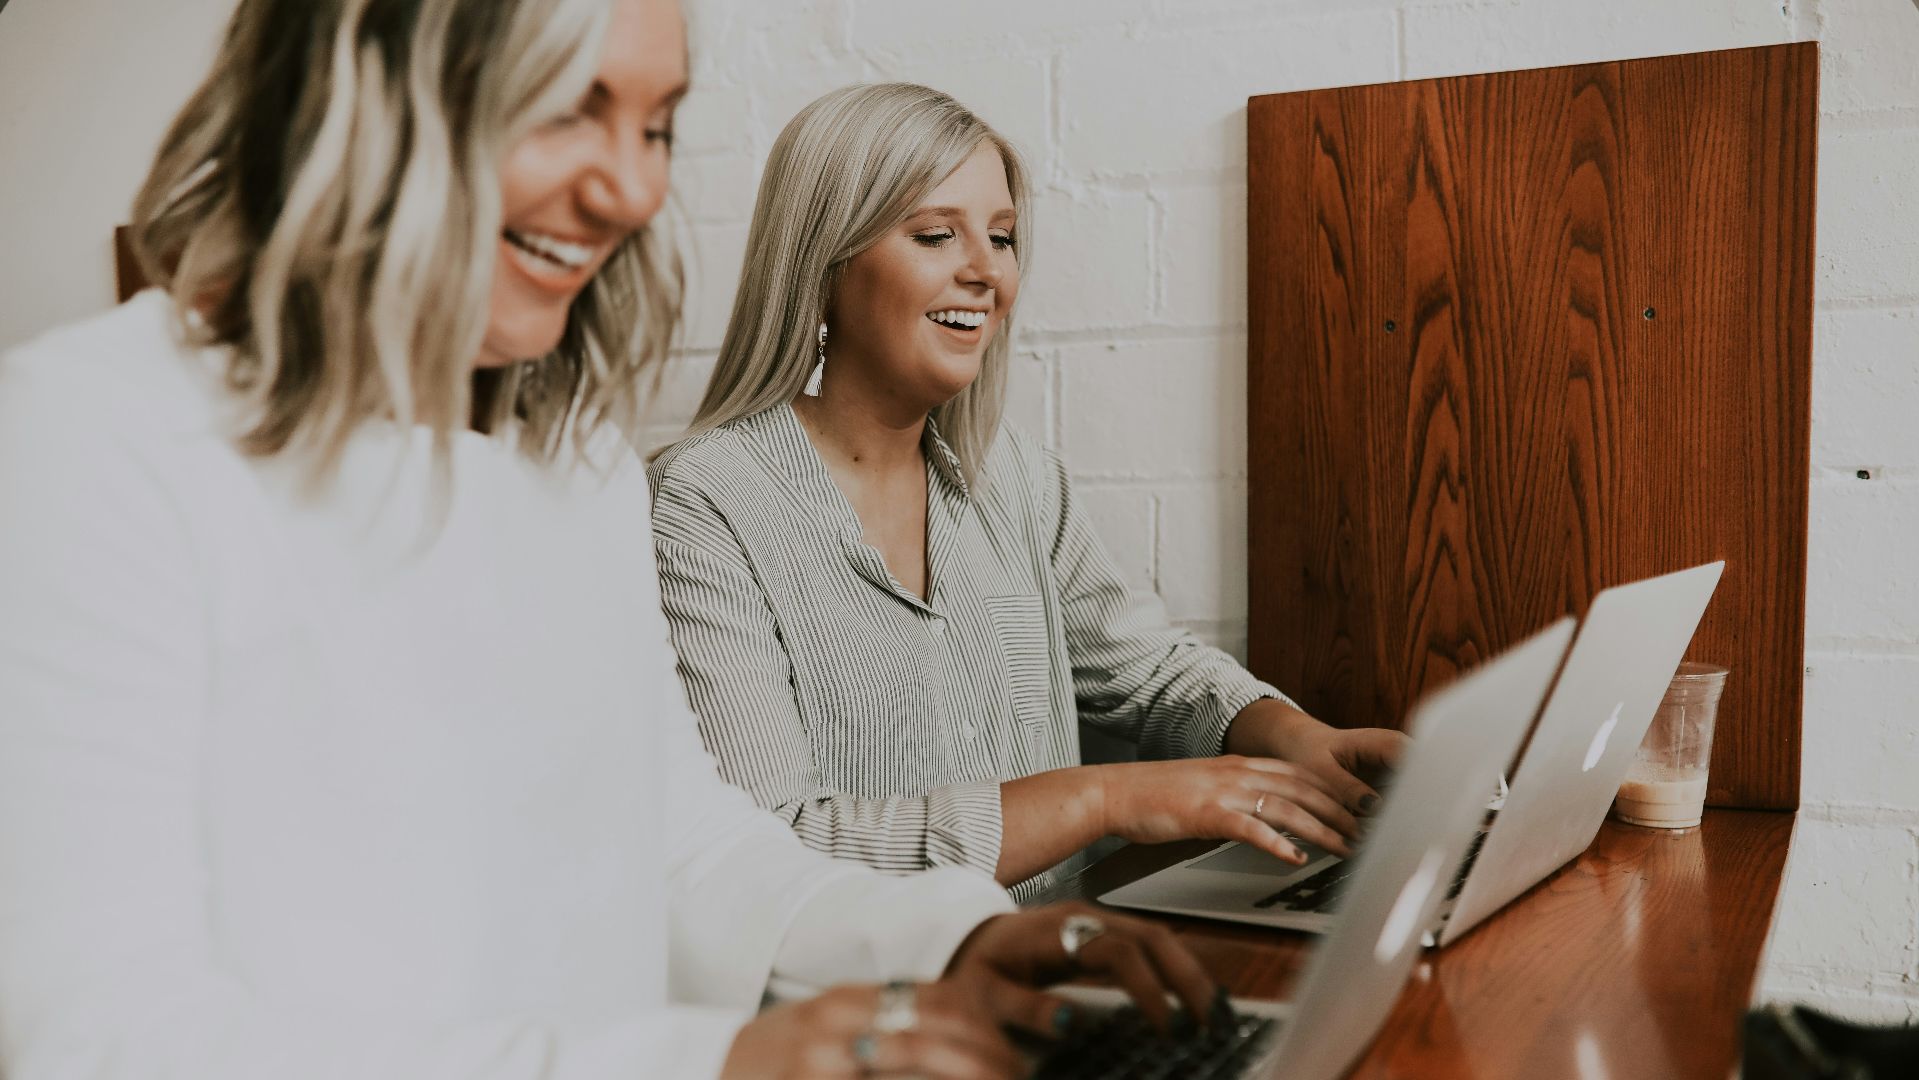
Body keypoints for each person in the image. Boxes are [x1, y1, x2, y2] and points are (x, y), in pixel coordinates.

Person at [0, 7, 1218, 1078]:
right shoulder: (92, 434)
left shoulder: (571, 455)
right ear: (364, 90)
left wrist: (952, 936)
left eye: (656, 126)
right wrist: (710, 1063)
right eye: (567, 110)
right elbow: (95, 1041)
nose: (632, 190)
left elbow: (683, 843)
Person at [649, 83, 1411, 897]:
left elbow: (1149, 672)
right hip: (881, 977)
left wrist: (1298, 738)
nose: (987, 271)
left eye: (1003, 237)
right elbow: (774, 846)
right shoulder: (702, 503)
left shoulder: (1015, 478)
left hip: (1062, 954)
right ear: (824, 262)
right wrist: (1104, 799)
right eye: (936, 234)